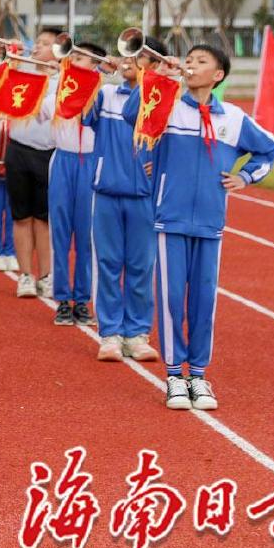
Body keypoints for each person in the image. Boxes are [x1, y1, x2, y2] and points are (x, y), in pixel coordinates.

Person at [123, 43, 274, 411]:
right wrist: (161, 76)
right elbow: (133, 113)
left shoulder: (235, 119)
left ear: (218, 75)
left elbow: (268, 149)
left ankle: (199, 375)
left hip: (210, 223)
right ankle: (175, 375)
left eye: (201, 61)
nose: (191, 65)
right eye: (188, 59)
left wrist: (245, 176)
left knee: (203, 302)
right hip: (170, 218)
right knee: (172, 298)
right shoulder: (168, 106)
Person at [87, 39, 164, 363]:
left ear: (155, 64)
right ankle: (110, 333)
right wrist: (98, 74)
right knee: (107, 264)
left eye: (141, 55)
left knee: (141, 266)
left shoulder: (164, 100)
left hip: (145, 195)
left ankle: (137, 333)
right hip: (107, 191)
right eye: (129, 53)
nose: (130, 59)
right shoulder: (105, 94)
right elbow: (76, 110)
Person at [47, 40, 106, 328]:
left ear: (96, 63)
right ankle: (61, 299)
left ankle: (82, 299)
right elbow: (46, 111)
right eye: (76, 54)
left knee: (86, 236)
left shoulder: (105, 89)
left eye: (83, 57)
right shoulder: (57, 82)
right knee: (60, 233)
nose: (76, 59)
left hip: (91, 163)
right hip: (64, 160)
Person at [2, 28, 59, 299]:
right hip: (19, 150)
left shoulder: (64, 77)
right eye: (37, 42)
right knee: (22, 216)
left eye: (46, 44)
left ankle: (46, 276)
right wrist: (11, 57)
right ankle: (25, 275)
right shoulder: (21, 68)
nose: (37, 47)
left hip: (49, 153)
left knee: (44, 219)